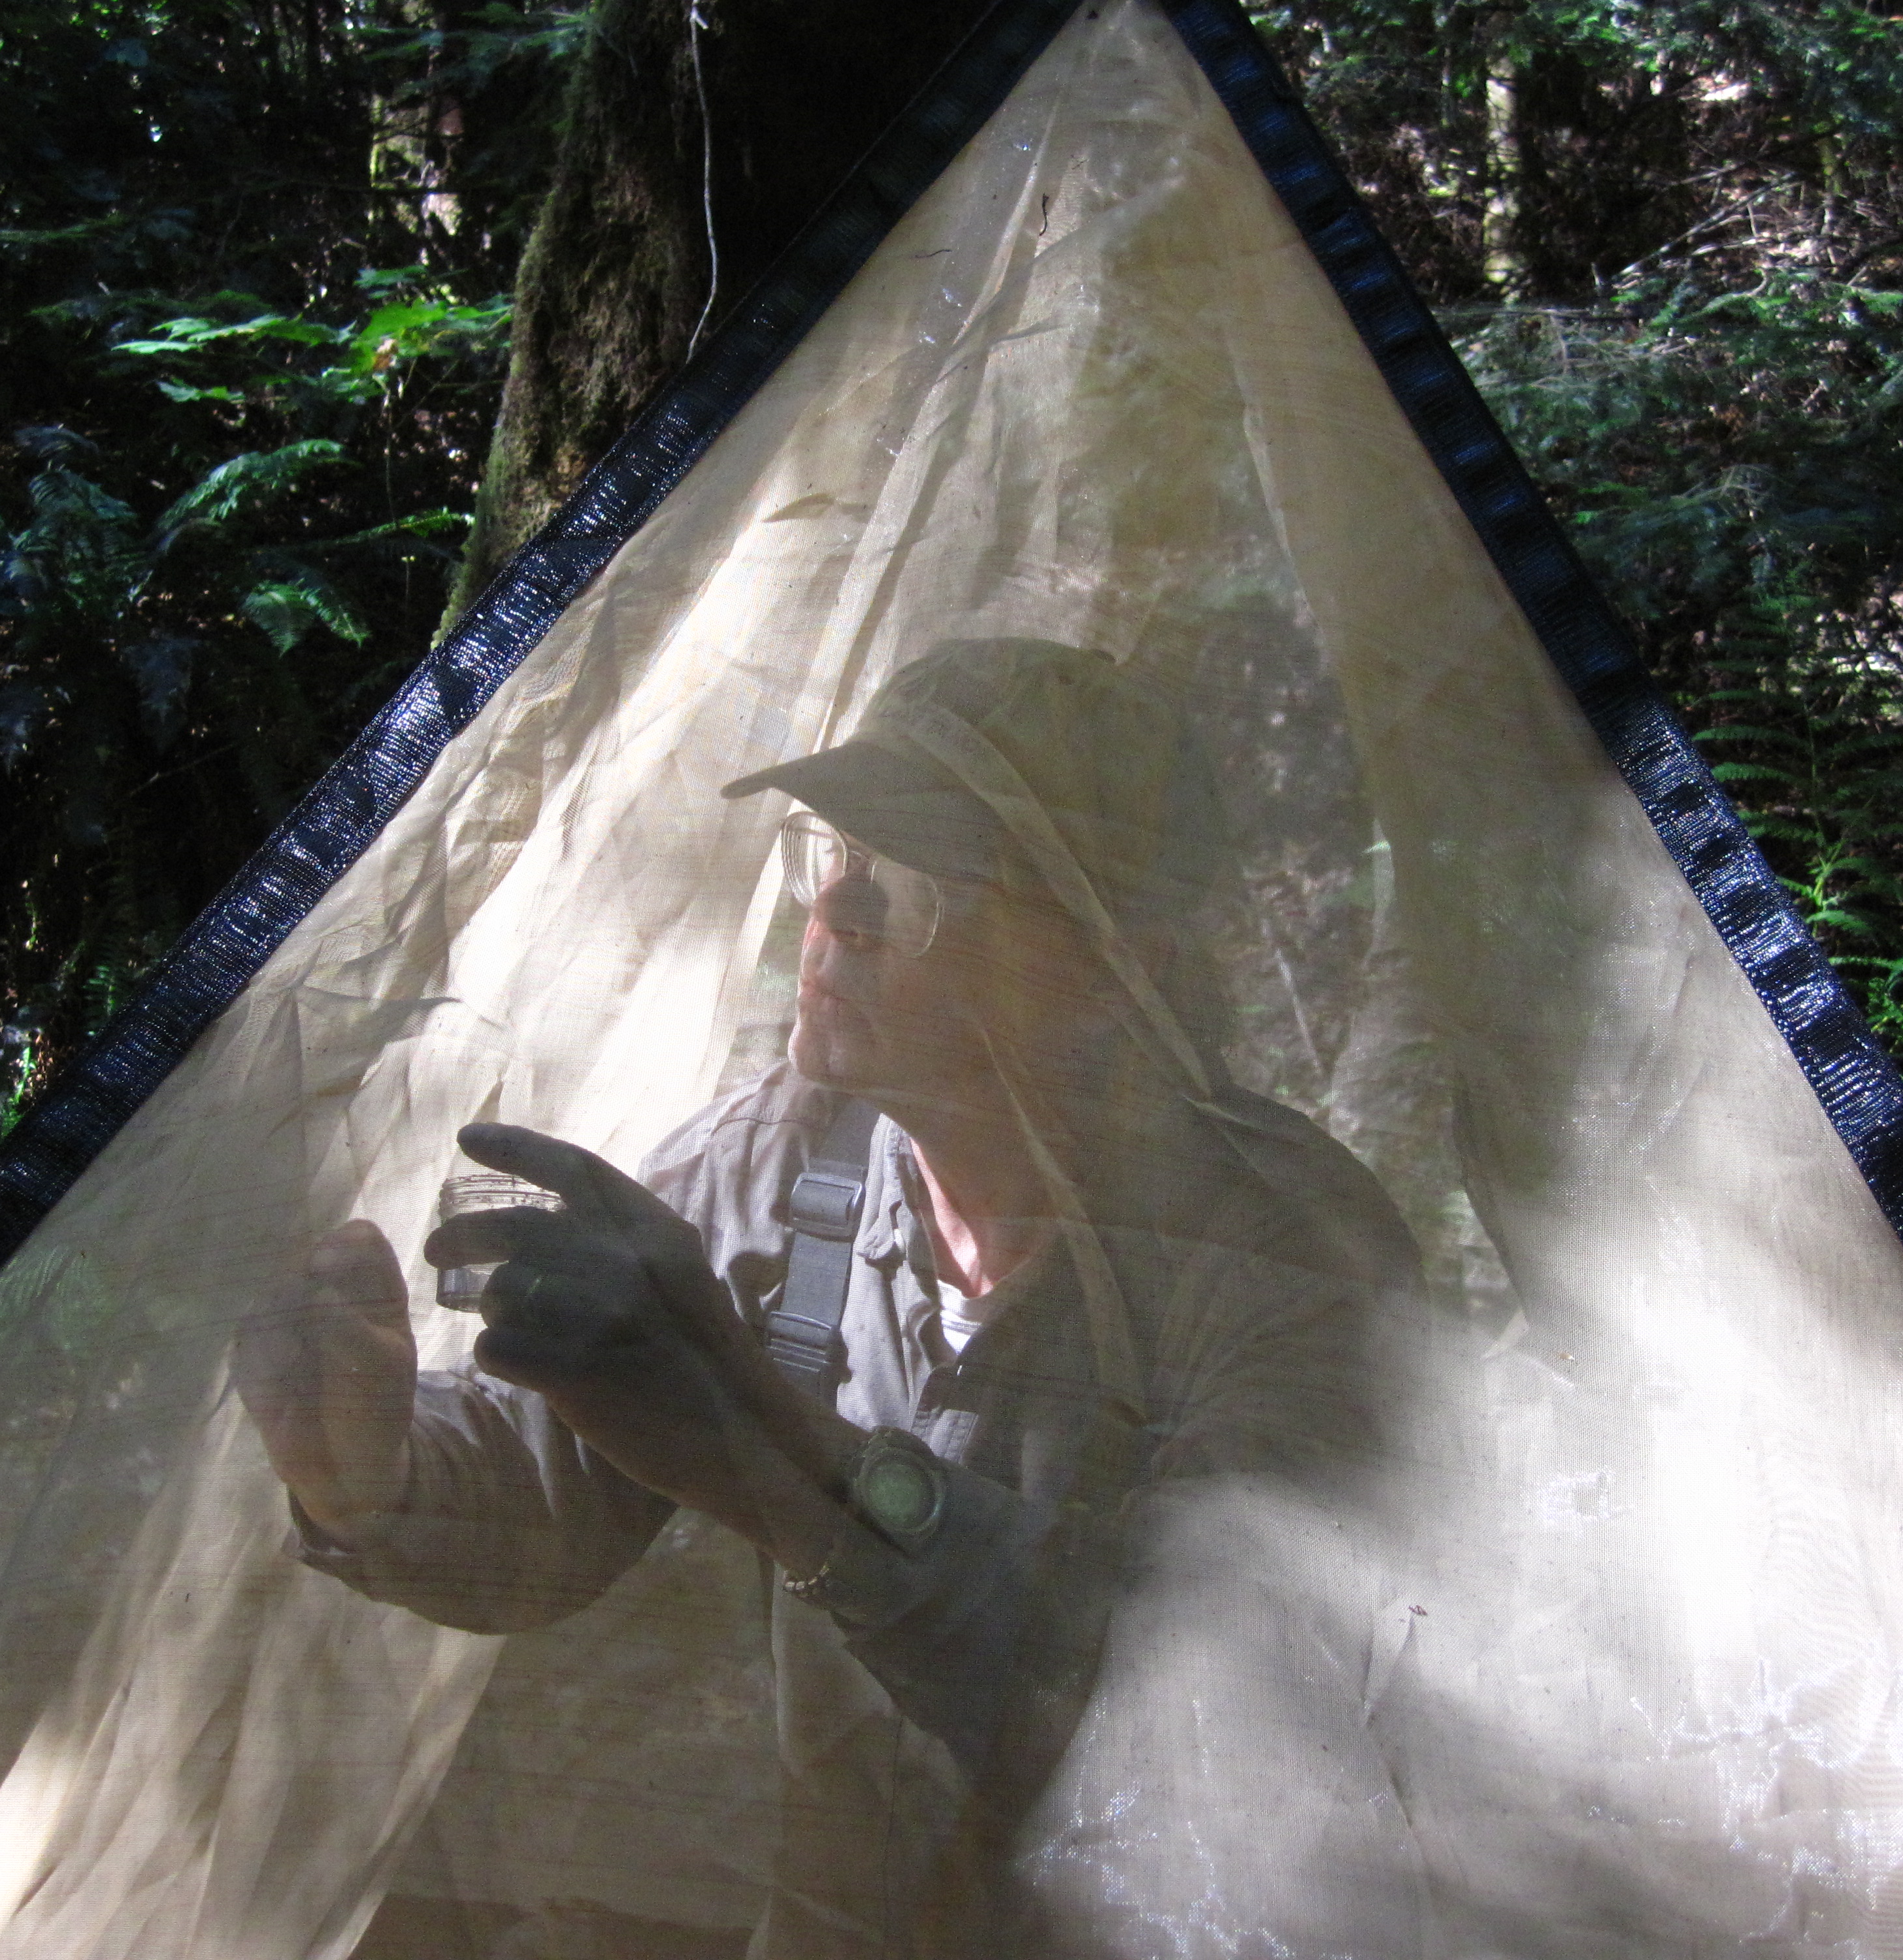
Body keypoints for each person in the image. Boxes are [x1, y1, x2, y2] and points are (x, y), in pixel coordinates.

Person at [232, 639, 1422, 1958]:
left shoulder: (1280, 1251)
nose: (836, 912)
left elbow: (1213, 1720)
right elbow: (548, 1500)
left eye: (911, 883)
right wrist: (370, 1469)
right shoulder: (786, 1154)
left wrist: (778, 1460)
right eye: (828, 853)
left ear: (1107, 959)